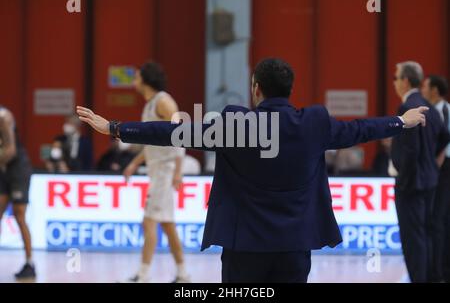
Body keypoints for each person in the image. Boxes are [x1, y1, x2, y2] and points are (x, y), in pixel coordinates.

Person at [77, 58, 429, 283]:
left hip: (244, 247)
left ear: (256, 90)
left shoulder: (235, 124)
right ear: (290, 91)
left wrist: (115, 128)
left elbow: (173, 131)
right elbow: (361, 129)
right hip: (294, 246)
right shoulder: (314, 123)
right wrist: (401, 121)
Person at [119, 62, 189, 283]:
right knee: (168, 226)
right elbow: (152, 142)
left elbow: (181, 133)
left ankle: (143, 275)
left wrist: (178, 171)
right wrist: (134, 163)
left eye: (137, 76)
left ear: (146, 79)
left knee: (148, 222)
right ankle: (183, 274)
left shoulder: (163, 101)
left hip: (166, 171)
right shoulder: (149, 104)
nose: (134, 81)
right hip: (156, 168)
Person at [390, 62, 450, 283]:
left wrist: (406, 176)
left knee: (413, 239)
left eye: (396, 78)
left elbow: (411, 148)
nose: (395, 83)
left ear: (405, 80)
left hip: (411, 184)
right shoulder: (430, 107)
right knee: (426, 234)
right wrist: (431, 164)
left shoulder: (408, 108)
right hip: (429, 181)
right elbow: (445, 136)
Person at [0, 105, 35, 279]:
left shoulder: (3, 117)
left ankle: (30, 263)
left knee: (19, 215)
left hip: (17, 168)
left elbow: (10, 150)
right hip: (3, 167)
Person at [421, 74, 450, 282]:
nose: (423, 90)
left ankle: (438, 272)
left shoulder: (441, 112)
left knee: (437, 219)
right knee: (439, 219)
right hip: (440, 167)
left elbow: (444, 140)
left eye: (425, 86)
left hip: (443, 168)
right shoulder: (437, 112)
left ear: (434, 90)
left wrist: (438, 159)